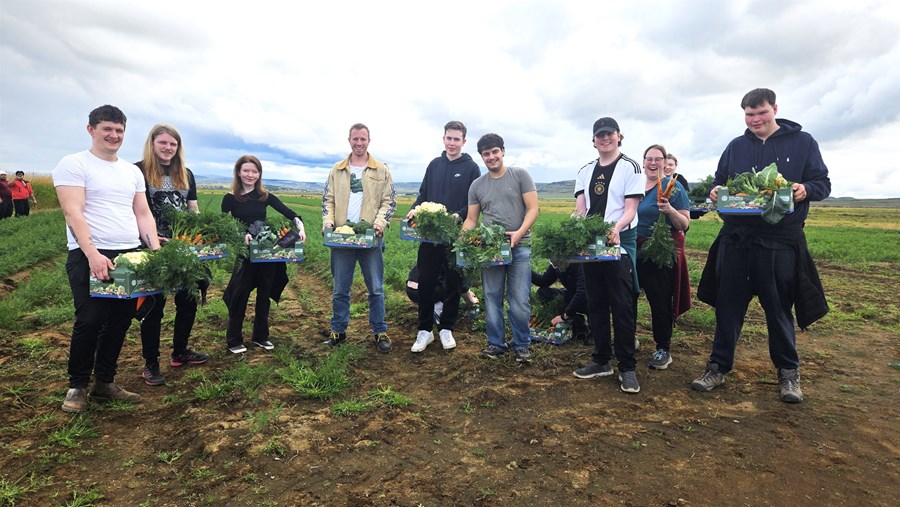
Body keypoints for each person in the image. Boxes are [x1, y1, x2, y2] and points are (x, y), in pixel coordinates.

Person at [694, 88, 831, 403]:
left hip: (779, 243)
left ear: (774, 109)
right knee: (728, 308)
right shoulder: (736, 146)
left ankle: (788, 375)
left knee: (779, 309)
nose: (755, 119)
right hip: (737, 240)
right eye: (749, 114)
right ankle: (717, 368)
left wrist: (804, 189)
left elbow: (823, 183)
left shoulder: (803, 142)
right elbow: (719, 181)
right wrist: (716, 191)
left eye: (761, 112)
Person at [52, 105, 161, 413]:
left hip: (129, 254)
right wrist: (93, 255)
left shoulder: (131, 171)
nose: (114, 135)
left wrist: (154, 252)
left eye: (119, 130)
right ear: (91, 130)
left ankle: (105, 383)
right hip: (90, 254)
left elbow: (142, 213)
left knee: (120, 320)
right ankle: (77, 386)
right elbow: (73, 211)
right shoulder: (74, 164)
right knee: (90, 318)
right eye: (107, 129)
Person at [571, 117, 644, 393]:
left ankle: (627, 367)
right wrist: (572, 229)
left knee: (622, 306)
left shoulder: (630, 167)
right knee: (596, 303)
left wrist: (615, 228)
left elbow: (630, 208)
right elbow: (581, 208)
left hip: (618, 245)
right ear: (593, 140)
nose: (605, 139)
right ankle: (601, 360)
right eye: (599, 135)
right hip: (592, 247)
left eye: (609, 134)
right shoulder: (585, 170)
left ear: (618, 136)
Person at [134, 124, 210, 386]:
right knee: (153, 306)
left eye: (173, 144)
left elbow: (193, 210)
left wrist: (201, 235)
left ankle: (180, 351)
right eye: (163, 143)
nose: (168, 148)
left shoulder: (185, 173)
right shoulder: (138, 171)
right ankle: (150, 363)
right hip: (150, 247)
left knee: (188, 298)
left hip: (182, 246)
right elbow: (132, 211)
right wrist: (152, 239)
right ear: (152, 144)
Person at [463, 133, 539, 363]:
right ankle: (496, 343)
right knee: (492, 296)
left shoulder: (520, 175)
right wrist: (463, 240)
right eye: (486, 154)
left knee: (519, 299)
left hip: (520, 247)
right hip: (491, 249)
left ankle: (522, 344)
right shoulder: (477, 185)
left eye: (495, 152)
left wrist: (519, 233)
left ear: (503, 152)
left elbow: (533, 208)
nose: (491, 157)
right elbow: (471, 219)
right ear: (482, 157)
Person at [406, 120, 481, 353]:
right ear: (443, 139)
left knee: (453, 282)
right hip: (429, 237)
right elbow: (423, 194)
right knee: (426, 281)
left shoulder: (471, 168)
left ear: (464, 142)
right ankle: (425, 330)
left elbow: (473, 203)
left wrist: (455, 217)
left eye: (456, 139)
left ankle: (447, 328)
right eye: (449, 138)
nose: (452, 143)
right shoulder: (434, 165)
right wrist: (414, 208)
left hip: (456, 237)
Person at [322, 124, 397, 353]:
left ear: (369, 140)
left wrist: (379, 223)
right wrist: (328, 224)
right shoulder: (337, 170)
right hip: (342, 238)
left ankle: (379, 331)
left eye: (362, 139)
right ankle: (338, 330)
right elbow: (328, 200)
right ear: (349, 140)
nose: (359, 143)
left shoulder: (381, 170)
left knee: (375, 287)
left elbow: (389, 201)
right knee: (340, 289)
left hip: (370, 237)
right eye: (355, 139)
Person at [222, 155, 306, 354]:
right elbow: (225, 224)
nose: (250, 175)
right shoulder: (230, 198)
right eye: (246, 171)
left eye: (254, 171)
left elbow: (290, 213)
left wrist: (300, 227)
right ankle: (234, 339)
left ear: (259, 174)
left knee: (264, 294)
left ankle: (261, 336)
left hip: (266, 253)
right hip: (245, 254)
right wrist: (240, 234)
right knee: (240, 293)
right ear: (239, 172)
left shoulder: (264, 196)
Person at [635, 144, 691, 370]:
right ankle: (630, 338)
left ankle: (662, 348)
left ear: (664, 162)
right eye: (649, 158)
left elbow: (684, 224)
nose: (653, 163)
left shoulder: (674, 187)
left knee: (659, 301)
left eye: (658, 159)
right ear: (643, 161)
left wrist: (669, 211)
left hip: (659, 250)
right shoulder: (635, 185)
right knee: (627, 297)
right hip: (633, 249)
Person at [531, 262, 589, 342]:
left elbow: (582, 292)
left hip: (588, 297)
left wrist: (564, 316)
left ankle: (589, 329)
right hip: (571, 294)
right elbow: (543, 281)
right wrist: (526, 271)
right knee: (543, 293)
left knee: (591, 304)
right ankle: (574, 321)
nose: (555, 266)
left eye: (558, 263)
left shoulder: (580, 265)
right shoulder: (556, 265)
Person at [405, 264, 479, 323]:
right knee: (453, 283)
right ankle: (437, 309)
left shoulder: (428, 253)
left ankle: (430, 307)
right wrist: (469, 296)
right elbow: (459, 283)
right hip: (427, 292)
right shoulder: (449, 260)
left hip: (411, 291)